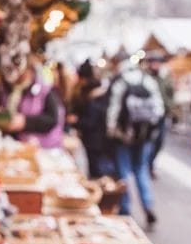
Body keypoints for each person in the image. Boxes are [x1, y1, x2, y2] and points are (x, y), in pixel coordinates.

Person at [106, 60, 165, 223]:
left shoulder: (121, 83)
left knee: (123, 171)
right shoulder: (148, 81)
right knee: (141, 169)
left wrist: (112, 130)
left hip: (124, 135)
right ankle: (147, 205)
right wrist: (152, 131)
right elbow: (159, 110)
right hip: (144, 135)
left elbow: (114, 108)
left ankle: (125, 208)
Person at [6, 62, 66, 149]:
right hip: (23, 145)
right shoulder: (16, 90)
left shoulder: (45, 90)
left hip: (46, 148)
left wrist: (25, 122)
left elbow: (52, 119)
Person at [71, 60, 114, 178]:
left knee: (97, 170)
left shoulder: (92, 96)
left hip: (95, 140)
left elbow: (91, 121)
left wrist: (76, 121)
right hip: (98, 139)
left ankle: (103, 191)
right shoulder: (98, 91)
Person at [145, 52, 173, 178]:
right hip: (148, 116)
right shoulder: (145, 78)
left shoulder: (165, 78)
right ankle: (146, 165)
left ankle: (150, 163)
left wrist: (172, 110)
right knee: (148, 141)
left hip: (162, 115)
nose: (156, 65)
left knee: (159, 142)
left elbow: (170, 94)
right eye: (153, 62)